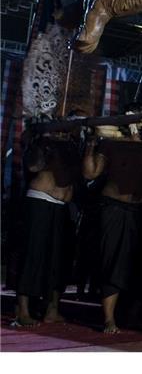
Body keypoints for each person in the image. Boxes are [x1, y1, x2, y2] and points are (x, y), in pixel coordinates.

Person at [82, 103, 142, 334]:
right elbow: (90, 173)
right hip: (112, 207)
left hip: (137, 211)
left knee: (134, 264)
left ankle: (129, 315)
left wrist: (138, 131)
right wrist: (91, 146)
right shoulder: (110, 142)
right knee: (112, 261)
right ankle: (108, 318)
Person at [14, 133, 80, 327]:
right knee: (32, 255)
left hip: (62, 206)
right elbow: (33, 166)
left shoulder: (75, 144)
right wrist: (43, 143)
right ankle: (23, 311)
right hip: (40, 201)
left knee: (58, 259)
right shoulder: (45, 143)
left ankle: (52, 309)